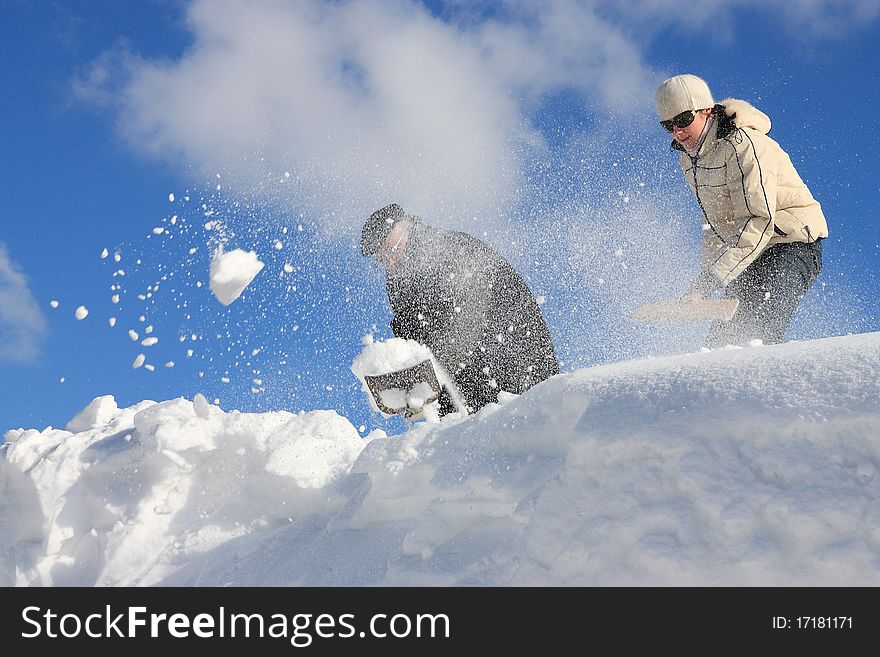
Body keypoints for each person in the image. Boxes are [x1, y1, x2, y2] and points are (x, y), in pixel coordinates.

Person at [655, 74, 828, 347]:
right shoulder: (691, 159)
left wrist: (712, 278)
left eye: (684, 119)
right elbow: (715, 224)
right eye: (668, 125)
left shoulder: (744, 144)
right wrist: (706, 282)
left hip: (790, 242)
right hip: (749, 250)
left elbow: (760, 218)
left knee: (755, 336)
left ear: (706, 111)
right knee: (720, 345)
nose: (677, 131)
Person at [361, 203, 559, 415]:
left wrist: (433, 380)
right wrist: (413, 387)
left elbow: (469, 318)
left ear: (408, 227)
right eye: (382, 260)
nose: (390, 263)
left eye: (392, 250)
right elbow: (413, 341)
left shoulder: (447, 248)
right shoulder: (399, 284)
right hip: (466, 380)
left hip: (516, 358)